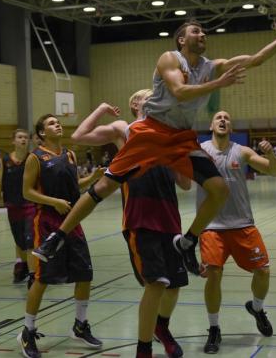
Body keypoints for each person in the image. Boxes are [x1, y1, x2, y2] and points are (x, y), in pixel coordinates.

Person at [33, 20, 276, 276]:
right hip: (151, 131)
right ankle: (56, 237)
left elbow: (256, 59)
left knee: (219, 189)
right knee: (104, 187)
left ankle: (187, 241)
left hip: (180, 138)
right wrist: (219, 84)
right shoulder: (170, 58)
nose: (203, 35)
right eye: (196, 31)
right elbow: (180, 91)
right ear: (182, 39)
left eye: (204, 32)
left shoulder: (211, 66)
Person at [70, 89, 190, 358]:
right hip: (141, 216)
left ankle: (161, 326)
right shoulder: (124, 128)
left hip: (170, 217)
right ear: (135, 103)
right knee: (156, 283)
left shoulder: (166, 134)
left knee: (174, 285)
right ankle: (143, 348)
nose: (156, 98)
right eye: (149, 95)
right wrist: (101, 108)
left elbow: (185, 184)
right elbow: (78, 136)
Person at [18, 114, 105, 358]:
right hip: (46, 222)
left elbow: (75, 186)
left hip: (72, 220)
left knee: (85, 274)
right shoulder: (35, 157)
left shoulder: (70, 154)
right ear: (42, 133)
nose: (57, 125)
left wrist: (94, 178)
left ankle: (79, 325)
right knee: (41, 278)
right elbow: (27, 192)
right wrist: (53, 201)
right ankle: (28, 330)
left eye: (58, 122)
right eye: (51, 123)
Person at [198, 111, 276, 353]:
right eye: (218, 117)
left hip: (243, 223)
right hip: (212, 226)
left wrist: (271, 154)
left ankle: (256, 307)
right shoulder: (200, 151)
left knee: (263, 271)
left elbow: (273, 171)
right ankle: (214, 329)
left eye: (226, 118)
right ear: (211, 125)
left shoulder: (242, 151)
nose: (223, 120)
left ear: (231, 127)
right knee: (213, 274)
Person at [0, 129, 36, 284]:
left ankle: (33, 275)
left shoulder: (32, 158)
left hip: (30, 205)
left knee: (30, 240)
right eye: (20, 137)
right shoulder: (5, 160)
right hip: (12, 207)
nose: (23, 140)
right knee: (20, 241)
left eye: (25, 137)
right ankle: (22, 265)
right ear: (13, 141)